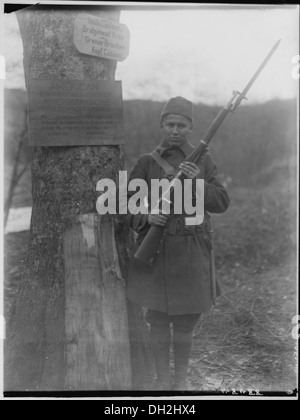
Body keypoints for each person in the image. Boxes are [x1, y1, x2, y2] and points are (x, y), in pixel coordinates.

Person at [125, 96, 230, 391]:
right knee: (157, 319)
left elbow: (221, 202)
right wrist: (146, 216)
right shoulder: (147, 163)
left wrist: (199, 184)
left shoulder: (204, 161)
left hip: (192, 249)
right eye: (169, 124)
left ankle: (180, 382)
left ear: (190, 127)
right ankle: (161, 382)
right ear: (161, 125)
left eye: (181, 125)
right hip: (156, 250)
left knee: (186, 321)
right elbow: (125, 204)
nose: (175, 130)